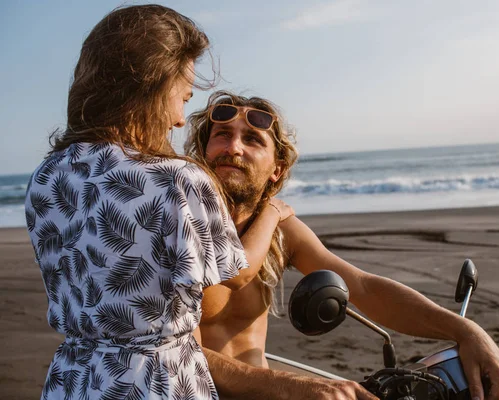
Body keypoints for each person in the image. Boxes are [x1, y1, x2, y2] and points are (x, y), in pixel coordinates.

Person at [25, 5, 373, 400]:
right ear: (153, 86)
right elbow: (236, 274)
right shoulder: (177, 180)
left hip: (73, 378)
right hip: (156, 383)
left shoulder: (48, 175)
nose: (178, 119)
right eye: (184, 96)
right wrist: (274, 211)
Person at [185, 91, 499, 400]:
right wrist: (297, 387)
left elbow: (364, 288)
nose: (234, 147)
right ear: (203, 153)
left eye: (252, 139)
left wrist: (466, 330)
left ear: (277, 169)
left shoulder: (279, 232)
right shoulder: (173, 226)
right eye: (222, 135)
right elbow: (170, 348)